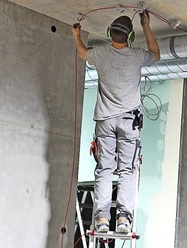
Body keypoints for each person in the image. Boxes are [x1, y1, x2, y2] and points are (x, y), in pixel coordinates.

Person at [71, 11, 160, 234]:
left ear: (110, 33)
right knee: (128, 170)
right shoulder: (137, 56)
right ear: (130, 38)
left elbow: (83, 54)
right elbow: (156, 54)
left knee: (104, 170)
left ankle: (101, 218)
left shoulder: (100, 54)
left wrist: (76, 35)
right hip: (129, 122)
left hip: (105, 121)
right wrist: (146, 26)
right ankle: (123, 219)